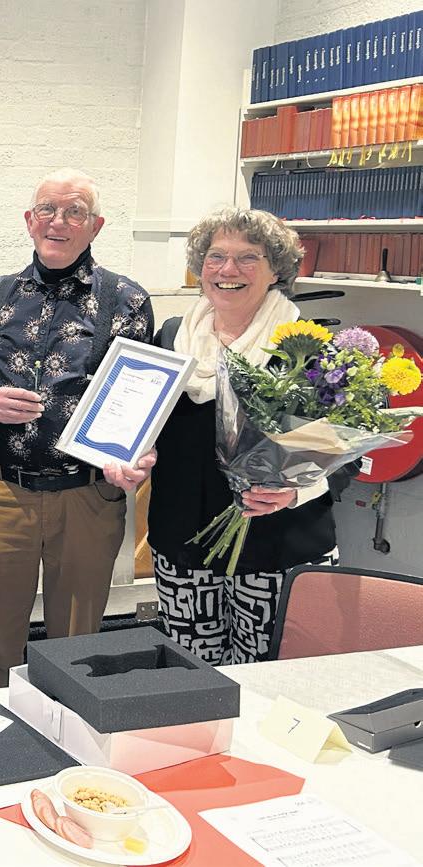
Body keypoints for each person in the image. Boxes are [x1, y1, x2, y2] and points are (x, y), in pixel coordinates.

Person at [0, 168, 155, 690]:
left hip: (88, 496)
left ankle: (72, 733)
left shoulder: (126, 300)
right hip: (4, 493)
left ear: (95, 226)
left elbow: (144, 398)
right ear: (29, 220)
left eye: (74, 212)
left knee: (77, 645)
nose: (58, 222)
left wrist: (138, 449)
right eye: (47, 210)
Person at [148, 207, 340, 665]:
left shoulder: (307, 347)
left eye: (248, 257)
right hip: (183, 543)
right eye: (216, 257)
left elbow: (342, 447)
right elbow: (150, 426)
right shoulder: (172, 337)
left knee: (274, 681)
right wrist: (131, 453)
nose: (228, 270)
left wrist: (296, 491)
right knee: (194, 676)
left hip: (279, 543)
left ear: (276, 270)